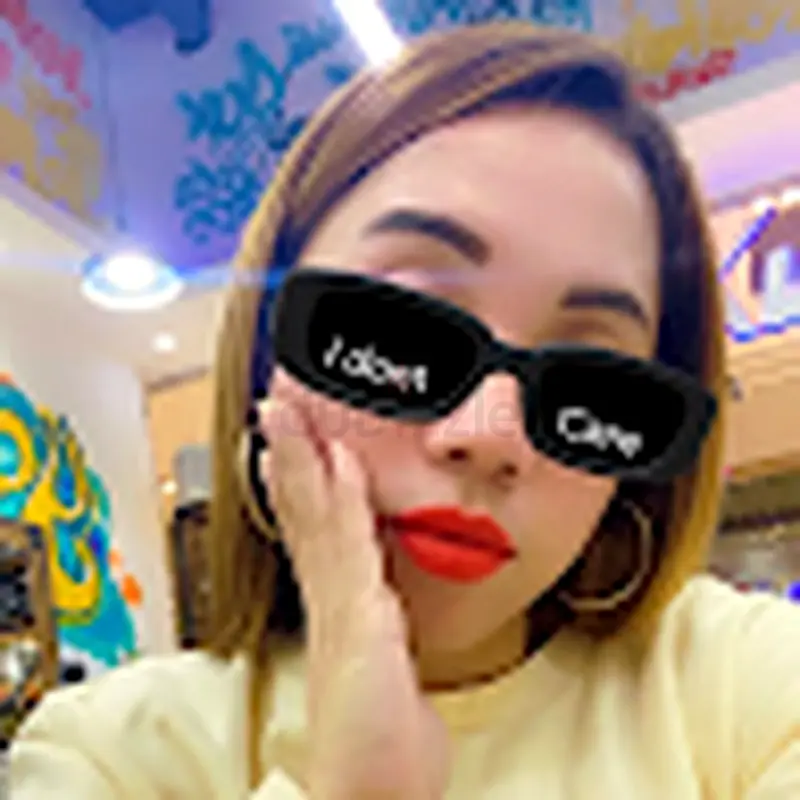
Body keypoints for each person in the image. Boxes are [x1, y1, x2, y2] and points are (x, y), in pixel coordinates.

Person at [10, 21, 800, 800]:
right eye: (401, 333)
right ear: (265, 355)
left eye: (591, 384)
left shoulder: (748, 691)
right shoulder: (107, 757)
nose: (490, 438)